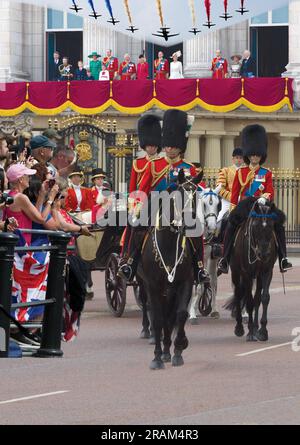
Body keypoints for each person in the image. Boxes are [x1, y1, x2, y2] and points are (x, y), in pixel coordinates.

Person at [118, 109, 209, 285]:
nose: (169, 149)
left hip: (181, 206)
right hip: (156, 203)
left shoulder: (189, 168)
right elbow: (143, 189)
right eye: (167, 145)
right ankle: (130, 263)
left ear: (180, 147)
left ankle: (199, 268)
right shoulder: (154, 164)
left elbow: (199, 189)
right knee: (138, 227)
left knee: (196, 230)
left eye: (173, 146)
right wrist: (136, 209)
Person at [217, 124, 292, 276]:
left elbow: (270, 190)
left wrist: (265, 197)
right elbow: (235, 193)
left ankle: (283, 257)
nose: (254, 157)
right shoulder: (240, 172)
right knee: (229, 224)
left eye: (257, 155)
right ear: (248, 155)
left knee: (279, 225)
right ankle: (225, 259)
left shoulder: (266, 173)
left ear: (261, 156)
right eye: (252, 155)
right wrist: (233, 208)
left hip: (263, 205)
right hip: (245, 206)